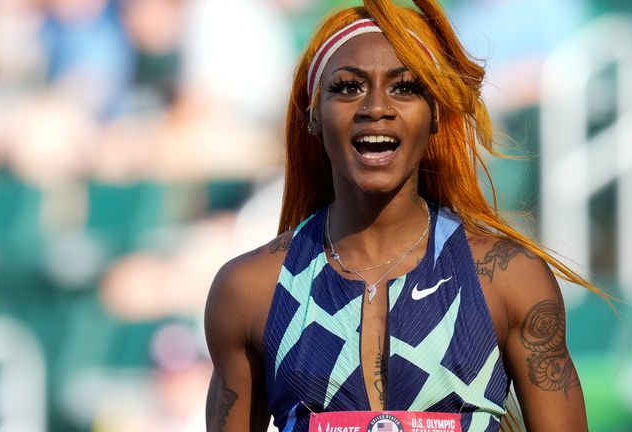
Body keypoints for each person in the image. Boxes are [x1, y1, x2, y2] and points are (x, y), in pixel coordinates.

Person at [204, 1, 609, 431]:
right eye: (347, 87)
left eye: (405, 88)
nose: (376, 107)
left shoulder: (508, 279)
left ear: (435, 114)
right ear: (313, 115)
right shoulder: (249, 292)